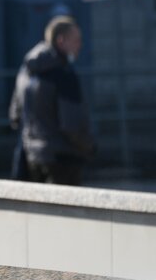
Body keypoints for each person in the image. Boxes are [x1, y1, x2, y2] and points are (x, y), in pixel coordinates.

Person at [8, 15, 95, 185]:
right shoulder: (64, 75)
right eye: (76, 40)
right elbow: (72, 125)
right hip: (63, 158)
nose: (80, 46)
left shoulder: (27, 70)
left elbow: (14, 116)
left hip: (32, 156)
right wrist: (90, 146)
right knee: (66, 210)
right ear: (61, 41)